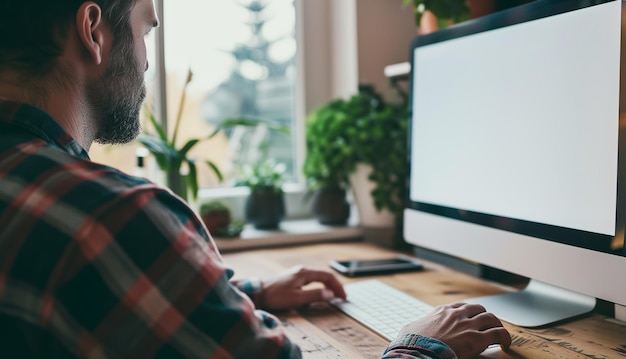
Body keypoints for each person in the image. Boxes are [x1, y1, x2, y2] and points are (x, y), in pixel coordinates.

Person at [0, 0, 512, 358]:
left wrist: (246, 291)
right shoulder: (112, 219)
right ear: (93, 29)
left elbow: (71, 286)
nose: (147, 58)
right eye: (145, 28)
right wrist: (421, 345)